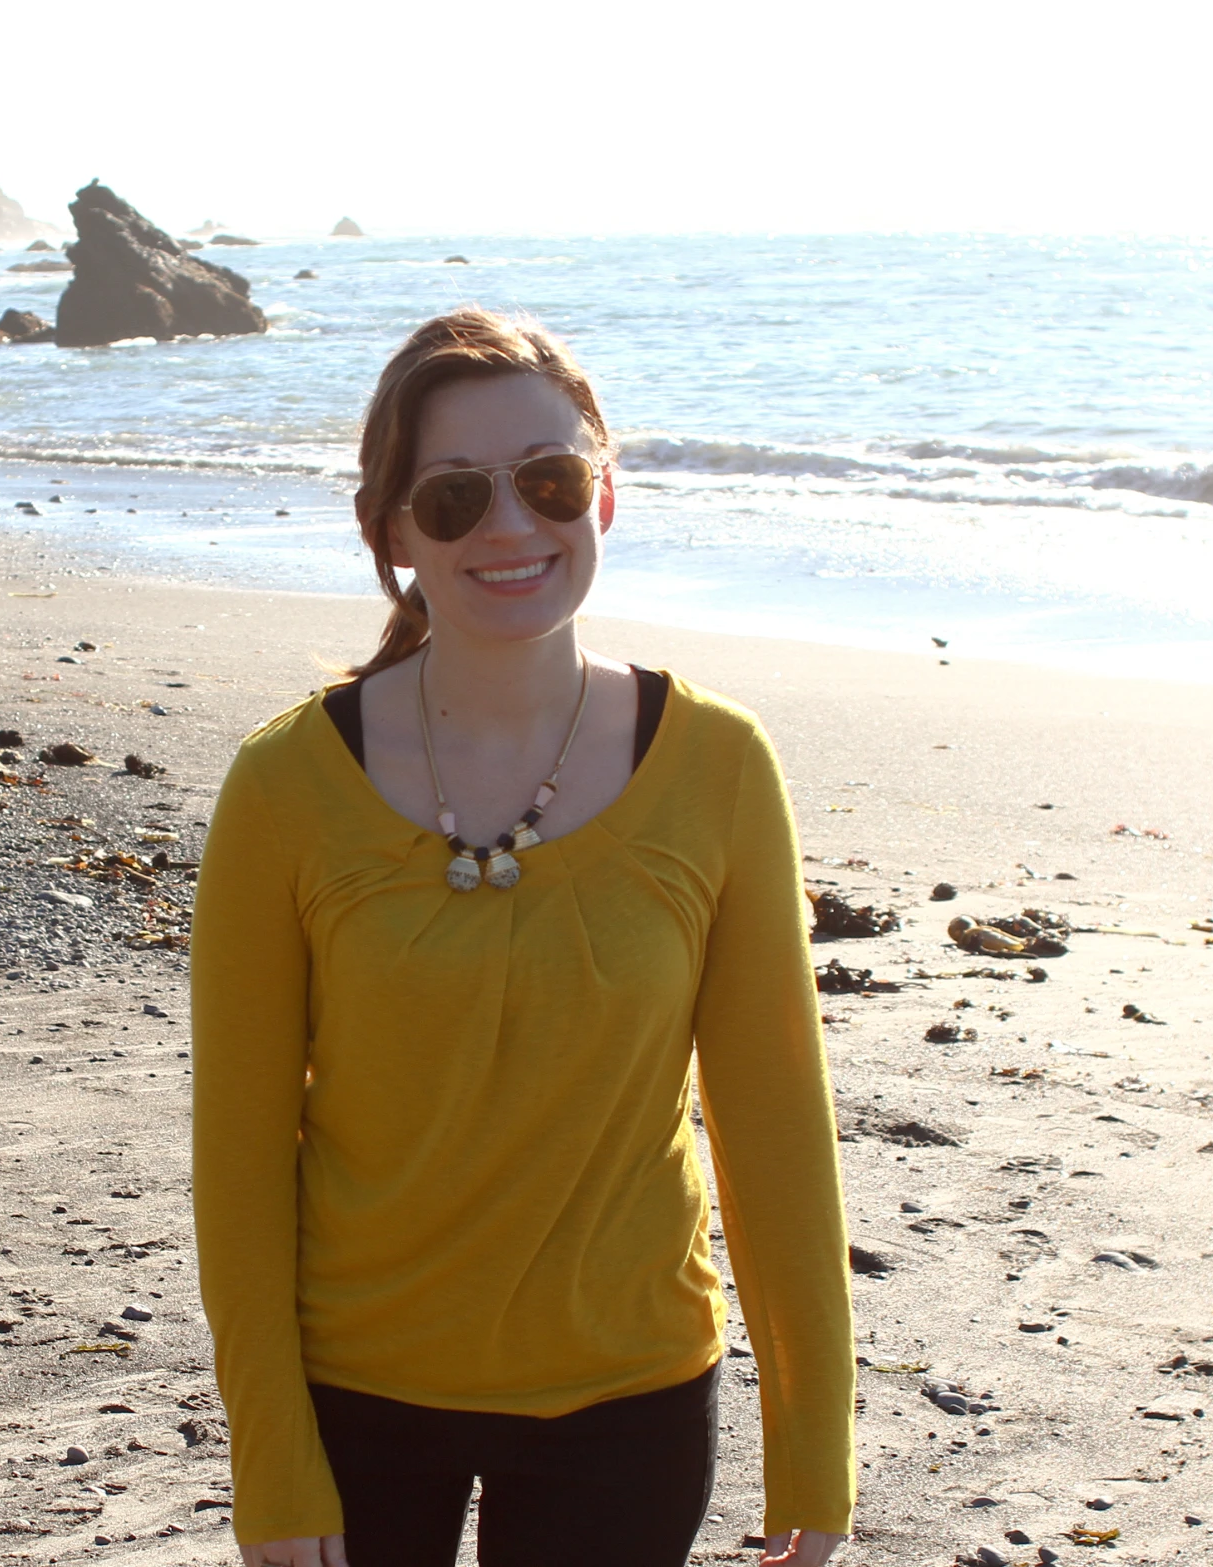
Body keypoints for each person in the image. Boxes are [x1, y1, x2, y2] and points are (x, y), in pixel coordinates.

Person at [189, 308, 854, 1567]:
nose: (508, 528)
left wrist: (812, 1442)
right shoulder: (284, 785)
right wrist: (270, 1461)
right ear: (388, 529)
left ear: (601, 498)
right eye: (452, 499)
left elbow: (772, 1123)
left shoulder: (717, 766)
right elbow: (236, 1150)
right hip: (354, 1392)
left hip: (631, 1387)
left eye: (547, 481)